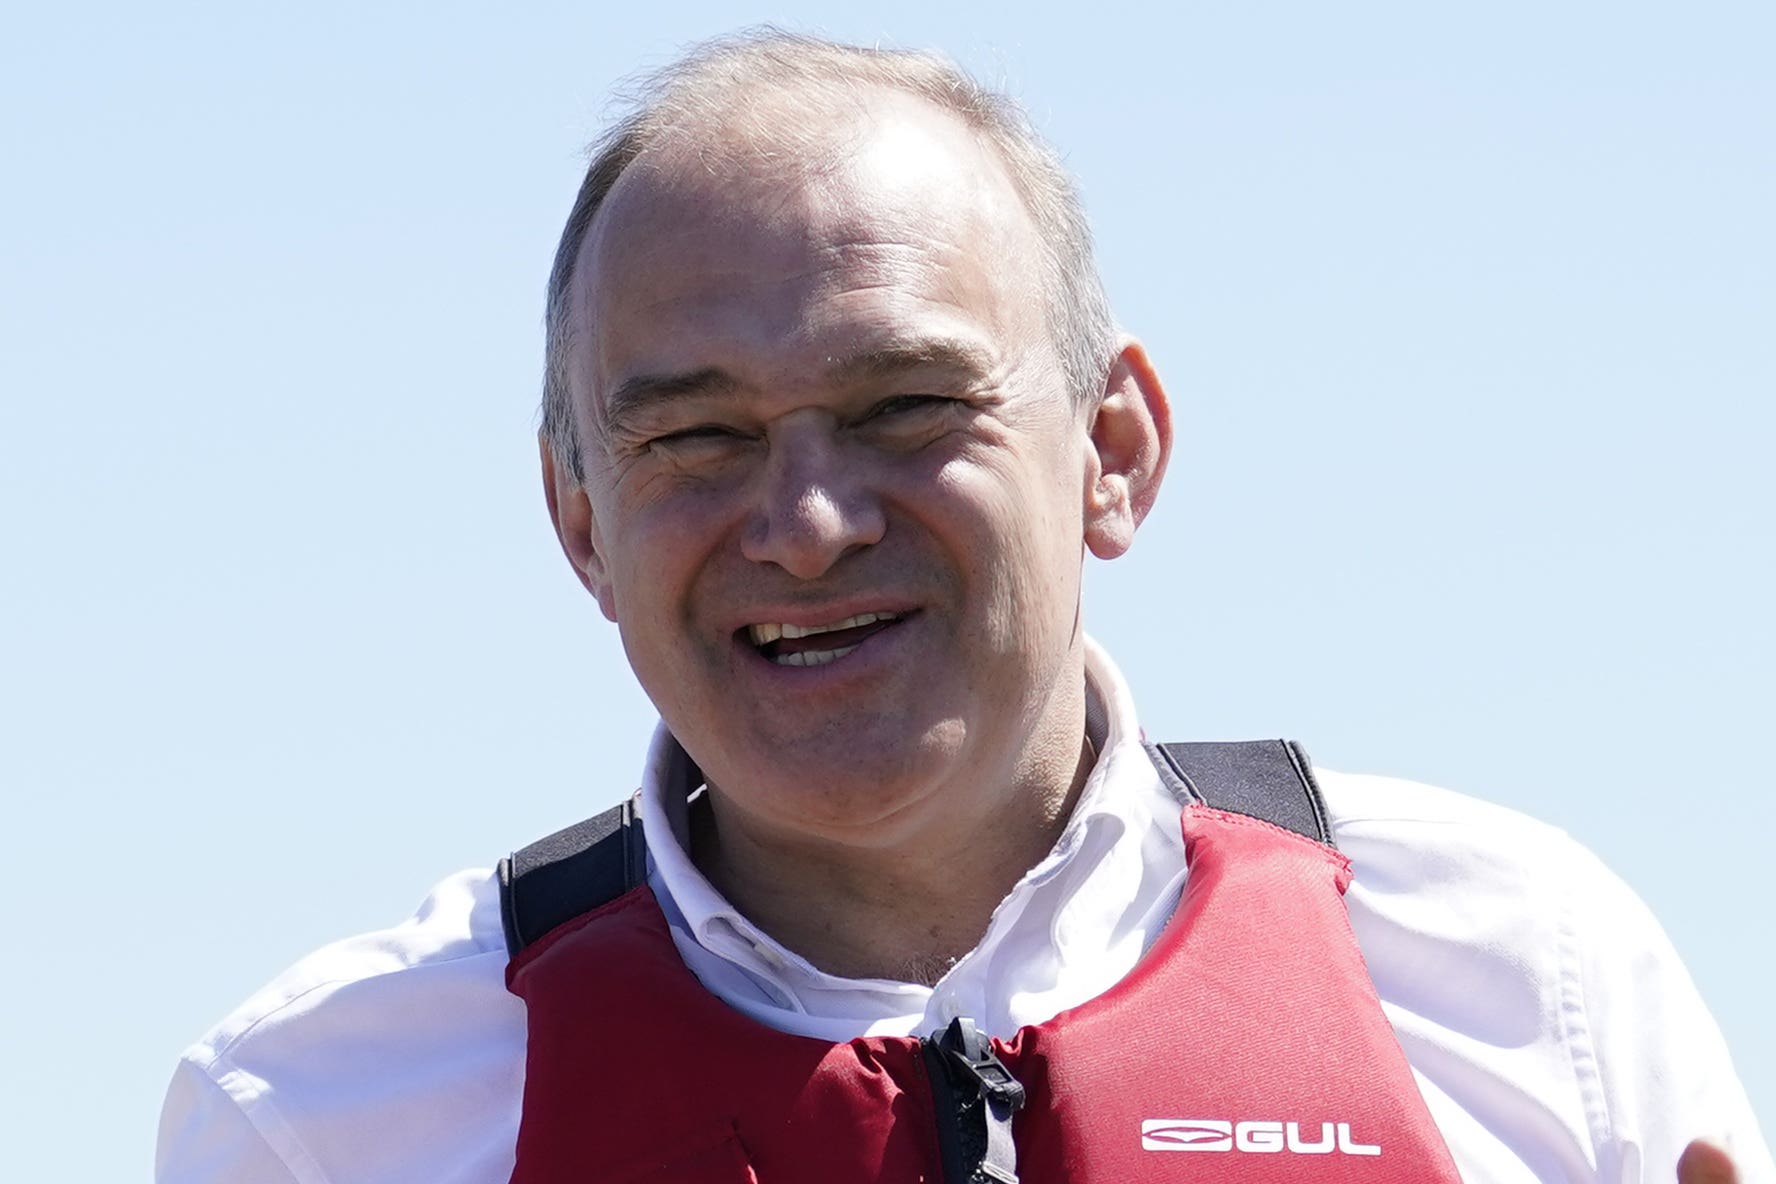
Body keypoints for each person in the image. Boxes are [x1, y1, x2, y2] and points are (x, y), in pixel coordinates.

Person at [156, 30, 1770, 1184]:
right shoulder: (317, 1115)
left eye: (908, 406)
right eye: (696, 436)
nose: (803, 524)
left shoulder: (1516, 975)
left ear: (1114, 451)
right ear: (579, 520)